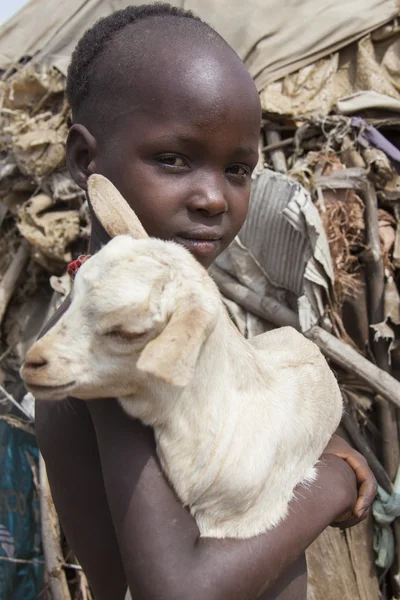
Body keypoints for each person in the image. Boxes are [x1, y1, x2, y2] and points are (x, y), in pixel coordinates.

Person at [35, 4, 377, 600]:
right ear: (86, 160)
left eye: (238, 169)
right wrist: (331, 482)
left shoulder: (166, 298)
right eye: (173, 159)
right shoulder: (117, 340)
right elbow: (179, 589)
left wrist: (318, 442)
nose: (215, 199)